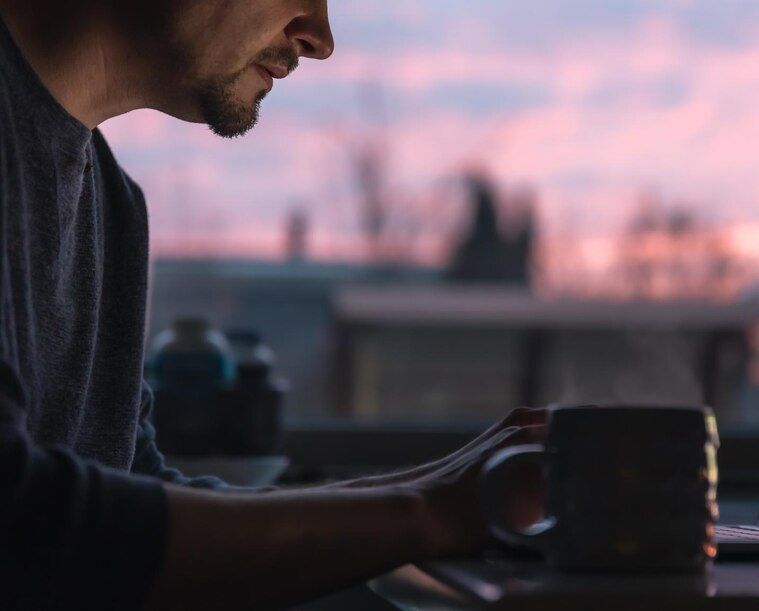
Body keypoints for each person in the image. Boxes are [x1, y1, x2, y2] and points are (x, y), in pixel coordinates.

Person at [0, 1, 546, 608]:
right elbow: (23, 523)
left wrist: (441, 483)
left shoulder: (112, 205)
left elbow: (134, 495)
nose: (319, 38)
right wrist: (430, 512)